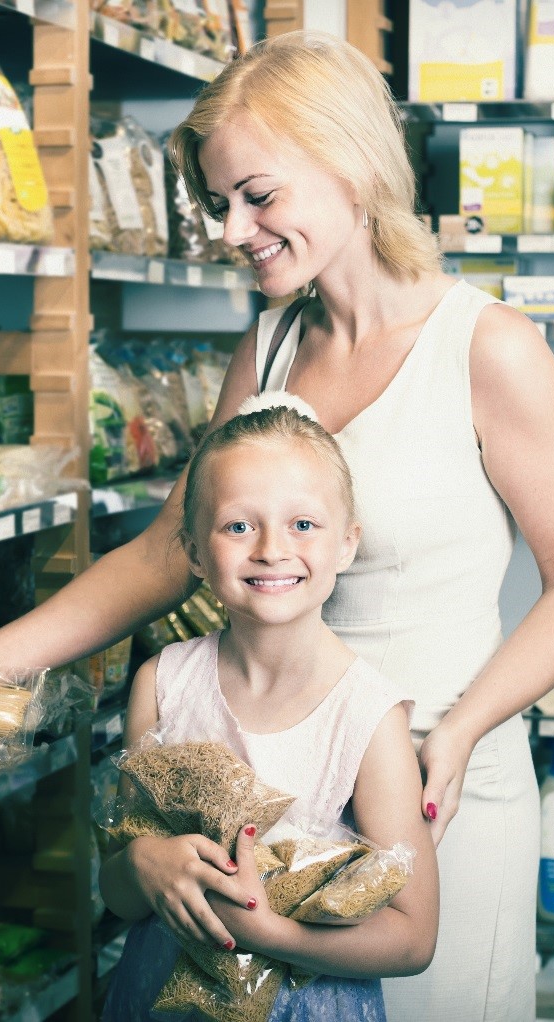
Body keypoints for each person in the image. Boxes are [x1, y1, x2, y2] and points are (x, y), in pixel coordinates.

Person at [0, 31, 554, 1020]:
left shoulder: (489, 347)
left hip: (433, 785)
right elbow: (176, 545)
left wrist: (465, 725)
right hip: (282, 788)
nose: (228, 228)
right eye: (219, 203)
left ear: (348, 163)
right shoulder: (273, 343)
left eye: (257, 195)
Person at [100, 399, 439, 1019]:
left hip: (309, 1003)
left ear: (347, 544)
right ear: (196, 554)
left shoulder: (368, 717)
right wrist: (142, 862)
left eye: (303, 525)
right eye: (238, 526)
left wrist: (266, 934)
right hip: (158, 993)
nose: (271, 550)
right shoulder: (162, 685)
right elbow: (117, 894)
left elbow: (414, 938)